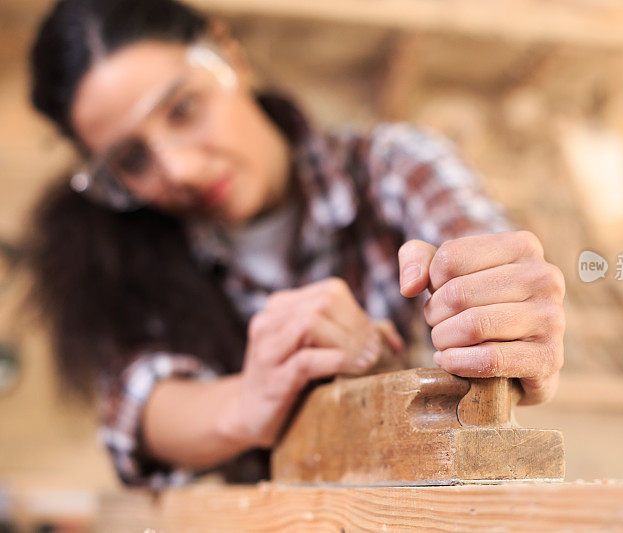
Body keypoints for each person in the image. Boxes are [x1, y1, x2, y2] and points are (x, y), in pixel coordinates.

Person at [25, 0, 566, 488]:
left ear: (228, 54)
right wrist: (248, 399)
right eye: (131, 160)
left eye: (184, 109)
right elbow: (136, 405)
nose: (180, 169)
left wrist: (505, 310)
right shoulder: (121, 255)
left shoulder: (393, 168)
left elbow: (483, 254)